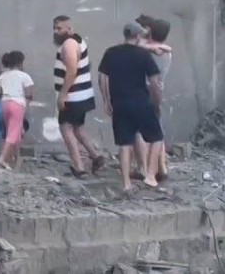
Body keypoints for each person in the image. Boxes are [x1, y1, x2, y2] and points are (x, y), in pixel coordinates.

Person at [97, 23, 165, 191]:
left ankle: (126, 183)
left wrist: (106, 100)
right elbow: (155, 82)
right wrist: (157, 103)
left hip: (119, 103)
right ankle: (150, 175)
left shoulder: (111, 52)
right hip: (141, 102)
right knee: (157, 137)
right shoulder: (143, 54)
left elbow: (102, 77)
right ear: (138, 37)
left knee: (124, 143)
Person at [53, 15, 106, 177]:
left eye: (59, 28)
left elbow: (71, 71)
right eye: (54, 28)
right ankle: (96, 157)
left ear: (69, 29)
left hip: (73, 96)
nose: (56, 32)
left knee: (66, 127)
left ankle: (78, 167)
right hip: (81, 94)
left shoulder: (69, 44)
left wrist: (63, 95)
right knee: (78, 127)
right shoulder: (78, 40)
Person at [134, 14, 174, 181]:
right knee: (157, 130)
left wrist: (148, 43)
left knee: (139, 131)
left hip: (144, 90)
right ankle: (162, 167)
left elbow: (136, 44)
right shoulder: (166, 53)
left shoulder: (144, 51)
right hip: (158, 91)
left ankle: (144, 168)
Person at [0, 51, 34, 170]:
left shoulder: (3, 76)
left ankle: (13, 159)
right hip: (18, 104)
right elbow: (29, 94)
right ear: (20, 63)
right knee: (13, 133)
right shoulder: (25, 76)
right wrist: (26, 104)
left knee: (12, 131)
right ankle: (2, 158)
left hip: (4, 103)